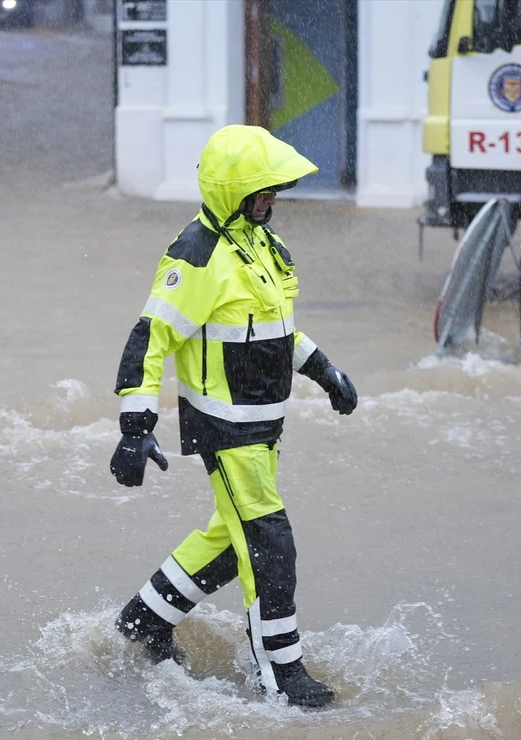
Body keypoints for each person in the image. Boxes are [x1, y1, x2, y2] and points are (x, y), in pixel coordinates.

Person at [109, 125, 359, 709]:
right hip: (227, 431)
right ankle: (283, 674)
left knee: (231, 539)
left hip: (264, 426)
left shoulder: (259, 246)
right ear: (235, 191)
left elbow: (276, 332)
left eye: (276, 189)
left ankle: (144, 620)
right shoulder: (196, 256)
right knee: (270, 543)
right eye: (265, 189)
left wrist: (325, 371)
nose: (274, 199)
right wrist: (134, 428)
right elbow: (150, 338)